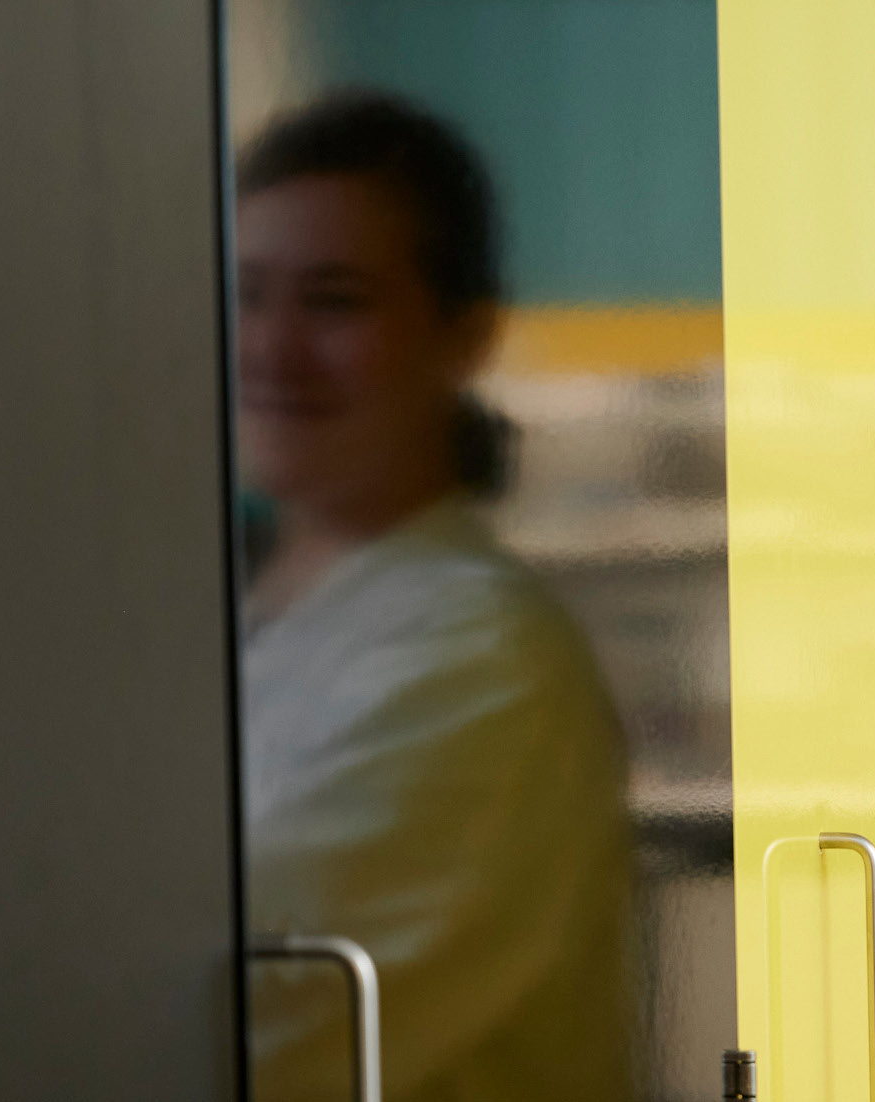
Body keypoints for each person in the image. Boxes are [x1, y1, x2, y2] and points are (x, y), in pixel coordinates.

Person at [233, 90, 631, 1102]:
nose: (271, 350)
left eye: (335, 301)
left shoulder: (484, 660)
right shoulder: (245, 618)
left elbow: (248, 1021)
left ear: (465, 337)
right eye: (245, 294)